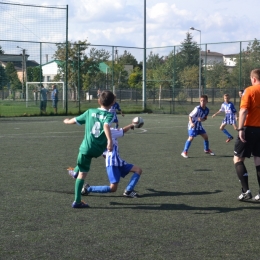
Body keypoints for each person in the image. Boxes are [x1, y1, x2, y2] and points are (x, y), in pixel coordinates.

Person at [63, 90, 115, 208]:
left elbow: (74, 120)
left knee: (82, 171)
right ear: (112, 102)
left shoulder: (90, 112)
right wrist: (110, 141)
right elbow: (106, 125)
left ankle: (75, 175)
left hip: (85, 148)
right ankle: (77, 200)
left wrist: (66, 121)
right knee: (82, 172)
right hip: (97, 149)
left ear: (98, 101)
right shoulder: (110, 115)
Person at [79, 123, 143, 198]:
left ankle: (129, 190)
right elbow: (123, 130)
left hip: (117, 161)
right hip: (113, 162)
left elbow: (104, 155)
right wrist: (131, 125)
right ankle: (88, 189)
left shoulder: (100, 136)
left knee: (138, 170)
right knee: (113, 188)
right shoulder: (109, 131)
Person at [233, 69, 260, 201]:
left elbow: (243, 110)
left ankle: (246, 191)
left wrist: (240, 128)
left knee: (238, 159)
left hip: (249, 129)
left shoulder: (249, 90)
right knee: (259, 160)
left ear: (254, 79)